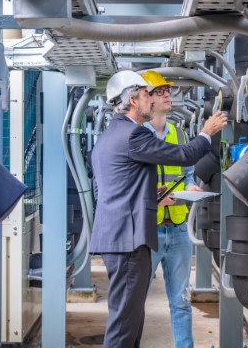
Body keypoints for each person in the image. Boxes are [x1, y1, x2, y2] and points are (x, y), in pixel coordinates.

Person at [89, 70, 227, 348]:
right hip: (127, 242)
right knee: (123, 325)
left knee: (130, 320)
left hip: (120, 238)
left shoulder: (110, 135)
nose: (151, 100)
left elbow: (110, 191)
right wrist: (206, 132)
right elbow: (185, 155)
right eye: (145, 95)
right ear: (131, 100)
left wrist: (152, 197)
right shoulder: (133, 135)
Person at [141, 70, 201, 348]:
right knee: (134, 303)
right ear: (145, 98)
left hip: (177, 229)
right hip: (147, 231)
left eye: (168, 90)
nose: (167, 95)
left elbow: (187, 173)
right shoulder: (137, 135)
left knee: (181, 302)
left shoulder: (178, 132)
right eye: (160, 91)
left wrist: (192, 190)